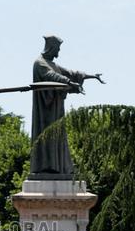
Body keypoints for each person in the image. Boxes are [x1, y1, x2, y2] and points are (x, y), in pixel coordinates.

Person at [29, 35, 103, 176]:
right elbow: (52, 76)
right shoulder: (39, 63)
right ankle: (45, 167)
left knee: (58, 136)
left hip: (56, 110)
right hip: (46, 112)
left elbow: (71, 73)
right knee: (47, 136)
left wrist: (92, 76)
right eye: (58, 48)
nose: (59, 52)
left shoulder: (53, 64)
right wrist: (69, 82)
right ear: (52, 48)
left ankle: (58, 167)